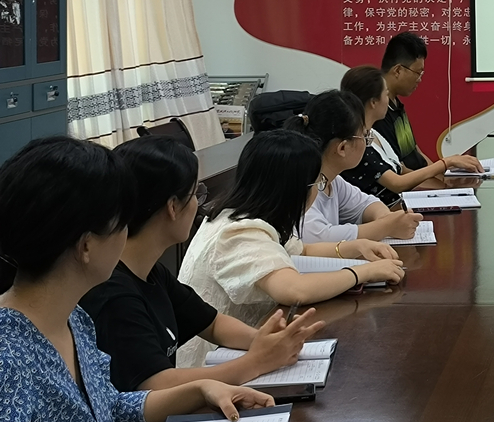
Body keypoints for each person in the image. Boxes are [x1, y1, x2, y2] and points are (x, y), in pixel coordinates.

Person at [0, 136, 273, 422]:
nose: (126, 235)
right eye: (122, 223)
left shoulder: (75, 319)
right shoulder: (9, 357)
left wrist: (200, 391)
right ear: (86, 246)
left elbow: (111, 408)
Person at [81, 136, 324, 392]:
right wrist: (256, 362)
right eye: (195, 193)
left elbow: (213, 323)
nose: (198, 203)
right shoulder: (114, 294)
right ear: (173, 207)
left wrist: (265, 340)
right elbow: (155, 385)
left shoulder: (151, 272)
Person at [177, 130, 404, 368]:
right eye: (317, 182)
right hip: (214, 366)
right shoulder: (238, 233)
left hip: (247, 346)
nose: (317, 189)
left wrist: (356, 247)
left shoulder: (252, 215)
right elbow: (295, 290)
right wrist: (363, 272)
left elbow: (301, 251)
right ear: (294, 189)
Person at [284, 90, 425, 244]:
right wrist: (387, 226)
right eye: (365, 136)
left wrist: (387, 218)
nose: (367, 143)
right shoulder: (303, 185)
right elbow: (320, 238)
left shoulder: (332, 180)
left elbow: (366, 204)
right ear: (342, 148)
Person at [340, 65, 482, 200]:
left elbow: (402, 170)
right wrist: (445, 163)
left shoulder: (374, 134)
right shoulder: (358, 144)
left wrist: (446, 185)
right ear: (373, 102)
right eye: (386, 95)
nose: (388, 101)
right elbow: (397, 183)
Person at [377, 31, 446, 172]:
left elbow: (415, 152)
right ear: (398, 70)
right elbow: (399, 171)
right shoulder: (378, 112)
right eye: (418, 73)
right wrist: (441, 178)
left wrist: (444, 175)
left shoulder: (397, 105)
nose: (419, 79)